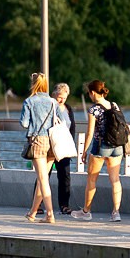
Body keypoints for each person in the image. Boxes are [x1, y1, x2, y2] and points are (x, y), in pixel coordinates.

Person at [73, 79, 124, 222]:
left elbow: (90, 133)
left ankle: (86, 211)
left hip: (101, 147)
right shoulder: (114, 105)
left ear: (93, 92)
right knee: (115, 180)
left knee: (91, 179)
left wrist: (83, 151)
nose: (90, 96)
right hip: (117, 147)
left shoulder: (93, 109)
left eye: (89, 94)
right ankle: (116, 212)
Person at [19, 73, 57, 223]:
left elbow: (24, 123)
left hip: (38, 141)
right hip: (52, 141)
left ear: (33, 84)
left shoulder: (29, 101)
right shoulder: (53, 101)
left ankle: (50, 214)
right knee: (43, 179)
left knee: (42, 179)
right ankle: (33, 213)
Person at [51, 82, 77, 215]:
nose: (61, 100)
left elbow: (72, 127)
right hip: (50, 144)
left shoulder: (68, 108)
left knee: (65, 176)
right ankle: (37, 204)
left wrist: (71, 144)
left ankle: (64, 205)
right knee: (44, 175)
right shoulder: (50, 106)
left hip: (63, 145)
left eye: (64, 98)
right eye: (60, 97)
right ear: (54, 94)